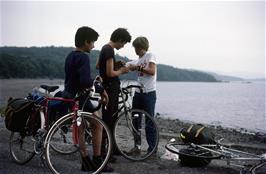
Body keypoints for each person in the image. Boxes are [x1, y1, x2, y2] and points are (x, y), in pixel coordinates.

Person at [63, 26, 113, 172]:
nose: (93, 45)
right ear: (86, 42)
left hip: (70, 96)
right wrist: (101, 89)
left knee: (80, 128)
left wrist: (93, 81)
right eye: (92, 42)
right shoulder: (83, 57)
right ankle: (98, 161)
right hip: (81, 98)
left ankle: (85, 160)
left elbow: (75, 78)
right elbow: (85, 81)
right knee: (97, 125)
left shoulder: (70, 55)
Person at [98, 28, 131, 159]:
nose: (122, 46)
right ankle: (104, 152)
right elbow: (110, 73)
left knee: (110, 119)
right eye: (123, 43)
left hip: (107, 87)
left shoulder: (104, 48)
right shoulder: (110, 50)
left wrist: (115, 64)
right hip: (110, 88)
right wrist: (122, 70)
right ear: (119, 40)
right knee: (108, 120)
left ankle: (111, 148)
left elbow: (98, 66)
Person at [128, 36, 157, 154]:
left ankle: (152, 149)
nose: (135, 50)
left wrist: (137, 67)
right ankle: (137, 147)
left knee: (149, 121)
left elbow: (152, 71)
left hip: (149, 93)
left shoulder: (150, 55)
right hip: (138, 93)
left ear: (140, 47)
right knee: (135, 120)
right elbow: (128, 65)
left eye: (136, 48)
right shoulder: (137, 60)